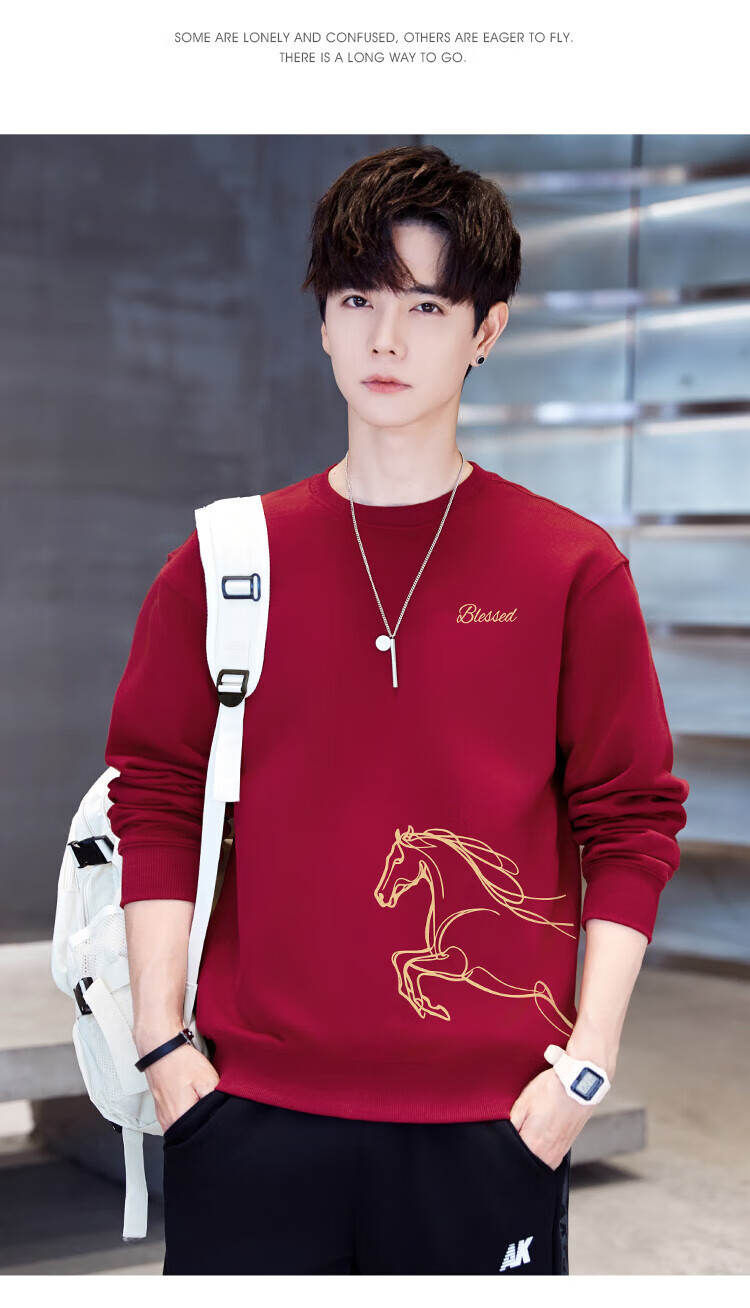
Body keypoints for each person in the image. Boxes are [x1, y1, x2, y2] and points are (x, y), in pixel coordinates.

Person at [104, 144, 690, 1275]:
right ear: (322, 322)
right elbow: (159, 797)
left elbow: (630, 821)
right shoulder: (227, 562)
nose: (385, 338)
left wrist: (587, 1065)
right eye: (358, 299)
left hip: (494, 1120)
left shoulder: (571, 568)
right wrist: (163, 1045)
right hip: (248, 1109)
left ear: (486, 330)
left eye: (426, 306)